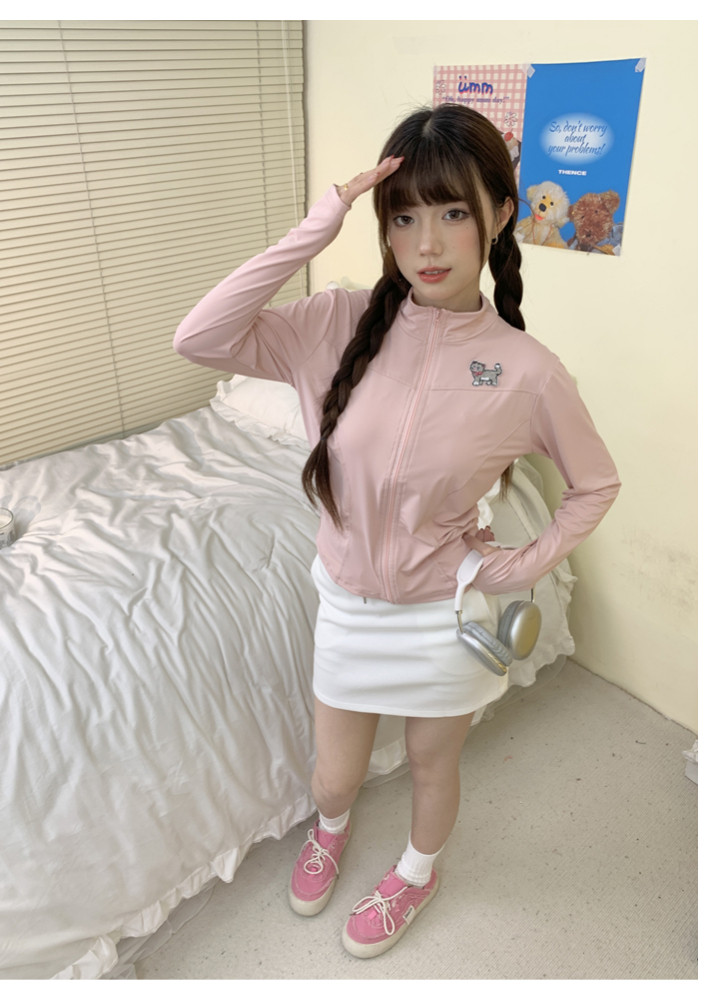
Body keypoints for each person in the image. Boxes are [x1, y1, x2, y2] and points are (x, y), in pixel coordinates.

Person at [173, 103, 620, 959]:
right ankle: (330, 828)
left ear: (501, 212)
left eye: (452, 212)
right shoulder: (335, 323)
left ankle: (418, 872)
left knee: (429, 764)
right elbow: (199, 337)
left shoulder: (527, 371)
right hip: (348, 602)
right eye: (404, 216)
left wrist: (515, 565)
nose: (427, 242)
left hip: (443, 616)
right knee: (334, 774)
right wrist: (319, 224)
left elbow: (595, 484)